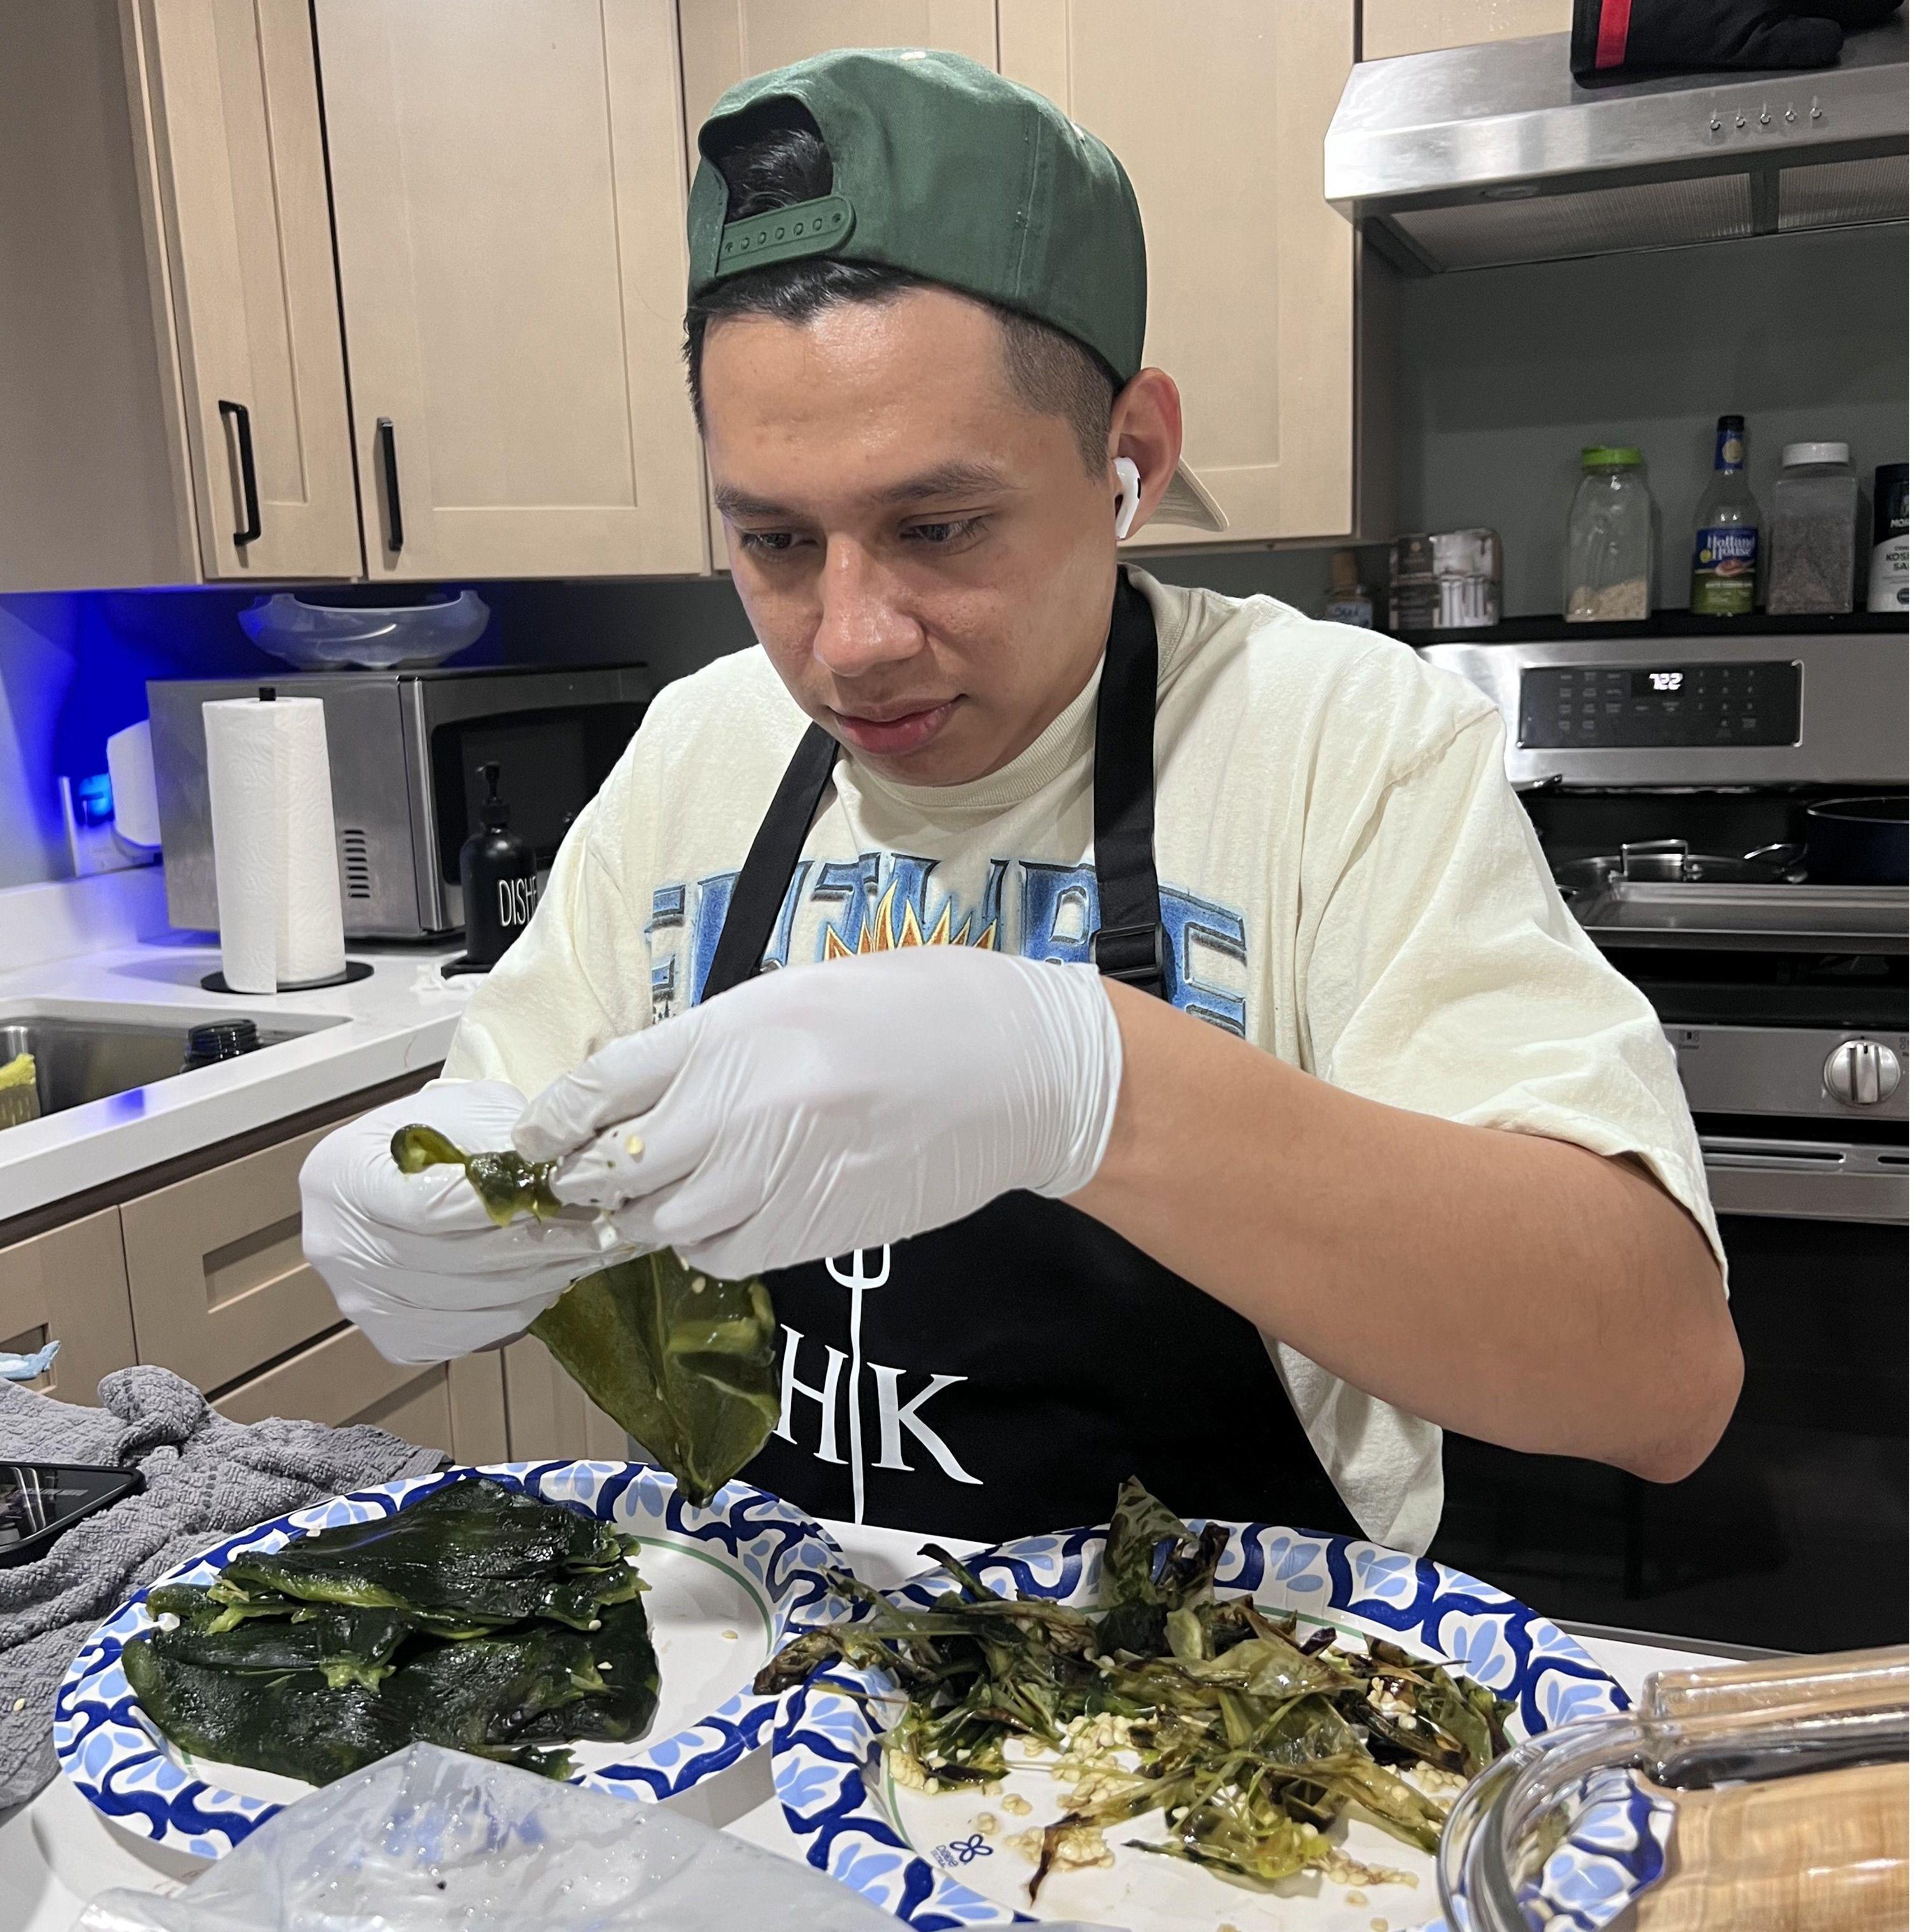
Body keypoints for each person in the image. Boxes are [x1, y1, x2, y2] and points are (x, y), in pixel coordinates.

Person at [300, 49, 1739, 1548]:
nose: (849, 642)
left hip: (1210, 1730)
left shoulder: (1337, 742)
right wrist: (423, 1192)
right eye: (777, 543)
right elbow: (509, 1107)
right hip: (779, 1709)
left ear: (1132, 458)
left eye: (939, 525)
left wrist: (1089, 1083)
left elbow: (1658, 1378)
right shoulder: (699, 750)